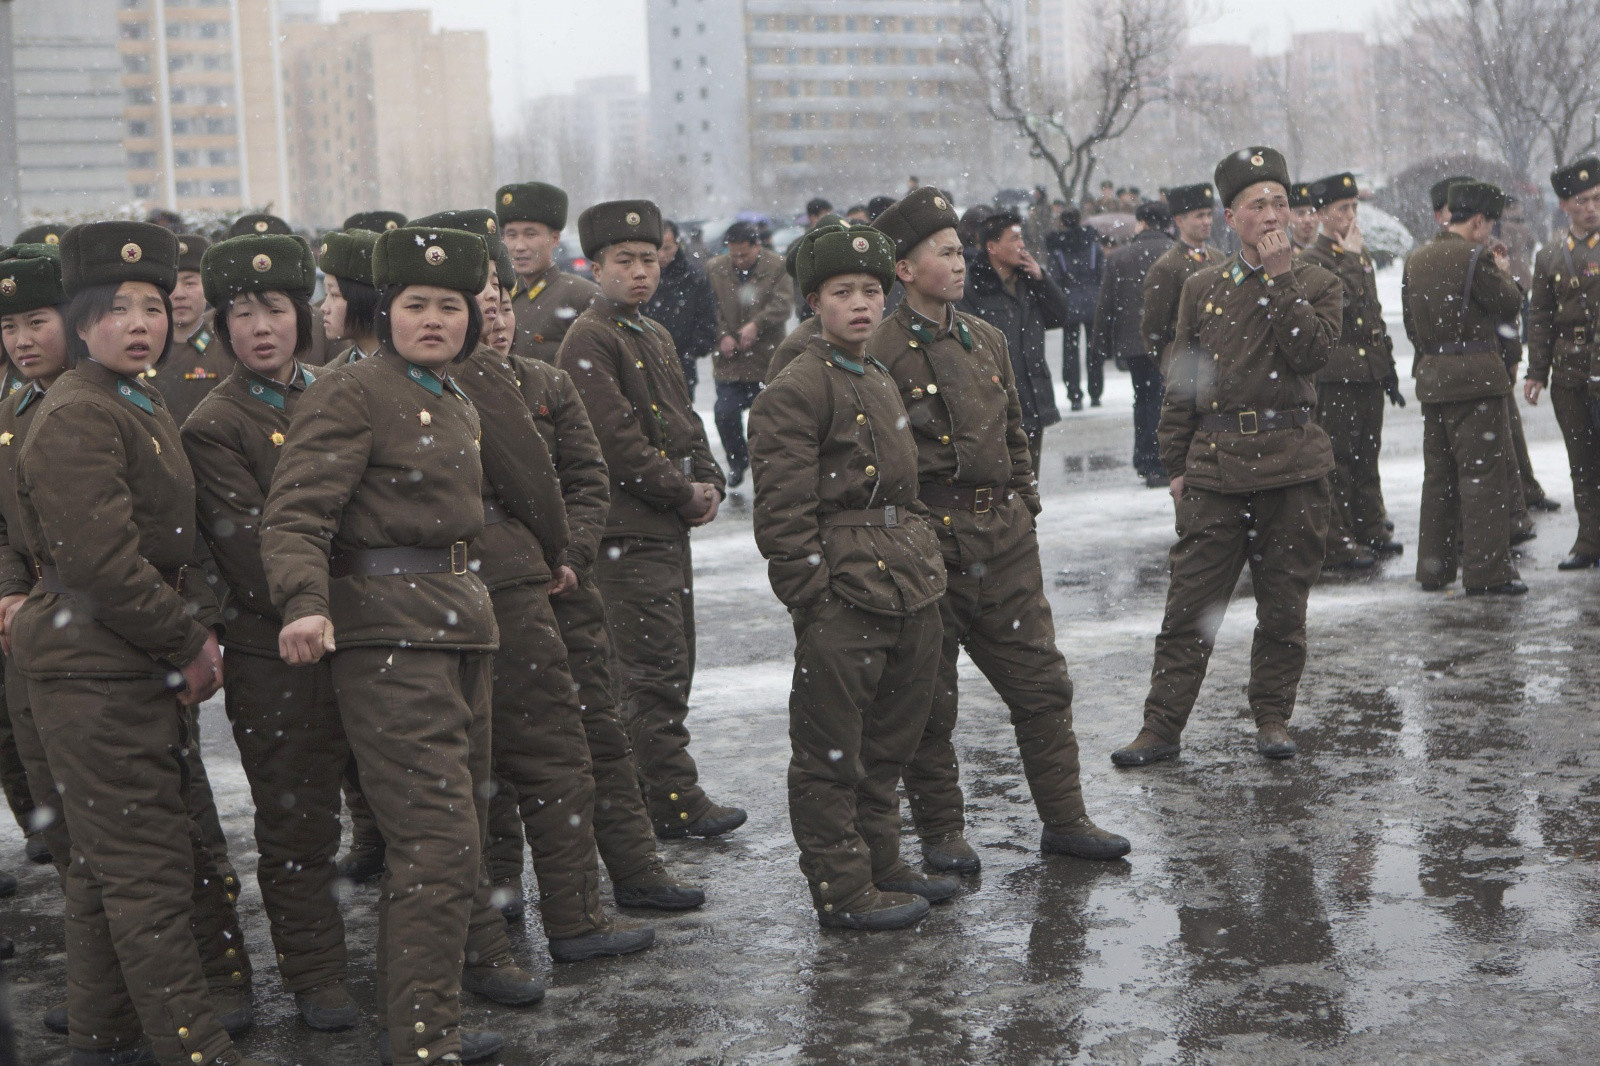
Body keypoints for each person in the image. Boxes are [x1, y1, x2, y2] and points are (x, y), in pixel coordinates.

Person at [8, 220, 272, 1066]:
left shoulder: (134, 398)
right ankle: (191, 1047)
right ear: (81, 323)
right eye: (115, 308)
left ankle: (101, 1035)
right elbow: (103, 564)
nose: (139, 323)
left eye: (152, 306)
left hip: (115, 659)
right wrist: (188, 639)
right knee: (145, 873)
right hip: (96, 665)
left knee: (102, 866)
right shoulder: (79, 415)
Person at [262, 226, 511, 1064]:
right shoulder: (353, 391)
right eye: (416, 304)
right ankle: (421, 1042)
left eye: (451, 305)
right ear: (388, 309)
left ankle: (425, 1024)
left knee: (455, 834)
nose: (434, 319)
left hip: (457, 623)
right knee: (435, 841)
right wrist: (302, 602)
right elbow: (298, 512)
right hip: (388, 638)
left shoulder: (452, 392)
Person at [870, 187, 1131, 875]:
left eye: (961, 252)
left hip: (1004, 540)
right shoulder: (879, 351)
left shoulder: (982, 336)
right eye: (945, 253)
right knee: (930, 699)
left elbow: (1016, 428)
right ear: (903, 268)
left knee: (1042, 685)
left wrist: (1023, 502)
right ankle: (943, 833)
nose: (959, 265)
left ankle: (1066, 820)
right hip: (930, 544)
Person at [1111, 147, 1341, 768]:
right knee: (1188, 608)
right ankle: (1160, 727)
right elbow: (1182, 382)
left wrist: (1282, 279)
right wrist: (1176, 465)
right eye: (1257, 204)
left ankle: (1272, 718)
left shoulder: (1317, 280)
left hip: (1292, 464)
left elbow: (1311, 354)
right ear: (1230, 215)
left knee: (1283, 609)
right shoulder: (1202, 286)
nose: (1271, 215)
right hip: (1216, 465)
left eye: (1280, 203)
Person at [748, 221, 948, 931]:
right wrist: (815, 597)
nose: (861, 304)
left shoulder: (879, 374)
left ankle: (883, 864)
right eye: (842, 292)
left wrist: (922, 548)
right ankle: (841, 888)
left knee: (889, 742)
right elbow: (781, 512)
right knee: (833, 750)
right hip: (845, 590)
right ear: (813, 301)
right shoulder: (798, 386)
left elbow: (906, 487)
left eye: (871, 290)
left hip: (906, 581)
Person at [183, 233, 359, 1032]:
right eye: (243, 313)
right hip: (273, 650)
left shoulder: (337, 390)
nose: (261, 327)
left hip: (357, 634)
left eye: (276, 309)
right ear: (222, 326)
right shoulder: (216, 423)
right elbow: (252, 554)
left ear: (301, 316)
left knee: (392, 805)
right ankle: (316, 975)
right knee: (297, 821)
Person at [555, 201, 747, 842]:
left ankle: (657, 790)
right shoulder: (589, 337)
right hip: (625, 533)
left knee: (674, 662)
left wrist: (711, 479)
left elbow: (684, 424)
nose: (640, 272)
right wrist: (680, 491)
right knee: (648, 673)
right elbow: (615, 441)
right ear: (596, 266)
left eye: (648, 259)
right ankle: (671, 798)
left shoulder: (653, 334)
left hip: (661, 529)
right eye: (623, 262)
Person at [1402, 180, 1527, 595]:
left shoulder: (1416, 259)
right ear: (1476, 221)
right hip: (1476, 381)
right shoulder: (1477, 257)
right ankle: (1488, 572)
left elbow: (1410, 324)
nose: (1490, 232)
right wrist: (1509, 277)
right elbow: (1508, 305)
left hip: (1434, 379)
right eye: (1489, 223)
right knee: (1482, 477)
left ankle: (1433, 569)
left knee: (1438, 479)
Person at [1299, 173, 1405, 572]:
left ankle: (1370, 525)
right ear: (1324, 214)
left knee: (1366, 453)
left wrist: (1387, 364)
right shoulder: (1313, 259)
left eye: (1354, 208)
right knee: (1338, 458)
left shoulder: (1353, 254)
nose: (1350, 216)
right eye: (1343, 209)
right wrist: (1351, 259)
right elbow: (1339, 305)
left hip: (1367, 368)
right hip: (1338, 369)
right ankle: (1339, 537)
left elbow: (1371, 313)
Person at [1525, 157, 1600, 570]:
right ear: (1565, 205)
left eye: (1597, 199)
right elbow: (1539, 318)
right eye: (1582, 201)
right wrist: (1537, 372)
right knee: (1583, 462)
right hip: (1569, 373)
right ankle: (1589, 541)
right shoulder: (1551, 255)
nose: (1591, 208)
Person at [959, 211, 1069, 473]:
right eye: (1014, 239)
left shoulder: (1030, 282)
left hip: (1032, 397)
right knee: (1004, 485)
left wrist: (1042, 279)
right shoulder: (973, 288)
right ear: (992, 247)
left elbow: (1060, 316)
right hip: (997, 402)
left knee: (1029, 483)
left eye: (1022, 238)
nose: (1021, 245)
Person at [1092, 200, 1175, 486]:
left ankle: (1147, 459)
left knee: (1144, 400)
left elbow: (1106, 305)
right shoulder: (1177, 253)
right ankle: (1171, 458)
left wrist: (1100, 345)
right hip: (1173, 343)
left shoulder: (1119, 258)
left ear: (1141, 222)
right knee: (1174, 402)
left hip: (1135, 343)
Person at [706, 220, 794, 487]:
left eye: (744, 254)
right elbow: (709, 308)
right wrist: (721, 335)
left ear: (757, 246)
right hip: (729, 362)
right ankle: (737, 460)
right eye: (733, 255)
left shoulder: (777, 265)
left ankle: (769, 468)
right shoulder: (715, 269)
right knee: (725, 413)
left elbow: (783, 304)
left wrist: (757, 324)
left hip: (766, 360)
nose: (739, 260)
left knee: (770, 419)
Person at [497, 181, 600, 362]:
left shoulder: (581, 296)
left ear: (555, 238)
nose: (519, 246)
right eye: (511, 235)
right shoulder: (498, 294)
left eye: (530, 234)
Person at [1141, 183, 1225, 378]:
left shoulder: (1219, 258)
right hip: (1187, 366)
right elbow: (1153, 326)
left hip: (1219, 360)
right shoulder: (1167, 266)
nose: (1207, 221)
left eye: (1208, 214)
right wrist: (1168, 357)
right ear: (1179, 220)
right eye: (1199, 216)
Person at [148, 234, 232, 426]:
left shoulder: (229, 348)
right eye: (171, 285)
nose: (179, 295)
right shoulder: (142, 348)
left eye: (190, 283)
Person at [644, 219, 719, 400]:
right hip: (643, 360)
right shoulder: (639, 277)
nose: (661, 255)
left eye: (667, 248)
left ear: (677, 245)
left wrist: (691, 353)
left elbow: (707, 319)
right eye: (656, 249)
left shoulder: (693, 277)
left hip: (682, 362)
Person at [1045, 208, 1103, 409]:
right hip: (1093, 301)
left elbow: (1054, 278)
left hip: (1068, 302)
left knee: (1070, 351)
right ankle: (1095, 392)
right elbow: (1101, 274)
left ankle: (1074, 394)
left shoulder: (1057, 248)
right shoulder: (1093, 245)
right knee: (1093, 349)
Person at [316, 228, 382, 369]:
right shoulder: (330, 376)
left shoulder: (414, 371)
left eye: (334, 294)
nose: (324, 308)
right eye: (326, 294)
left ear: (363, 298)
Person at [1288, 182, 1319, 250]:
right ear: (1288, 219)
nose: (1307, 220)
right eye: (1300, 214)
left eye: (1312, 212)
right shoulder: (1284, 254)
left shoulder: (1329, 252)